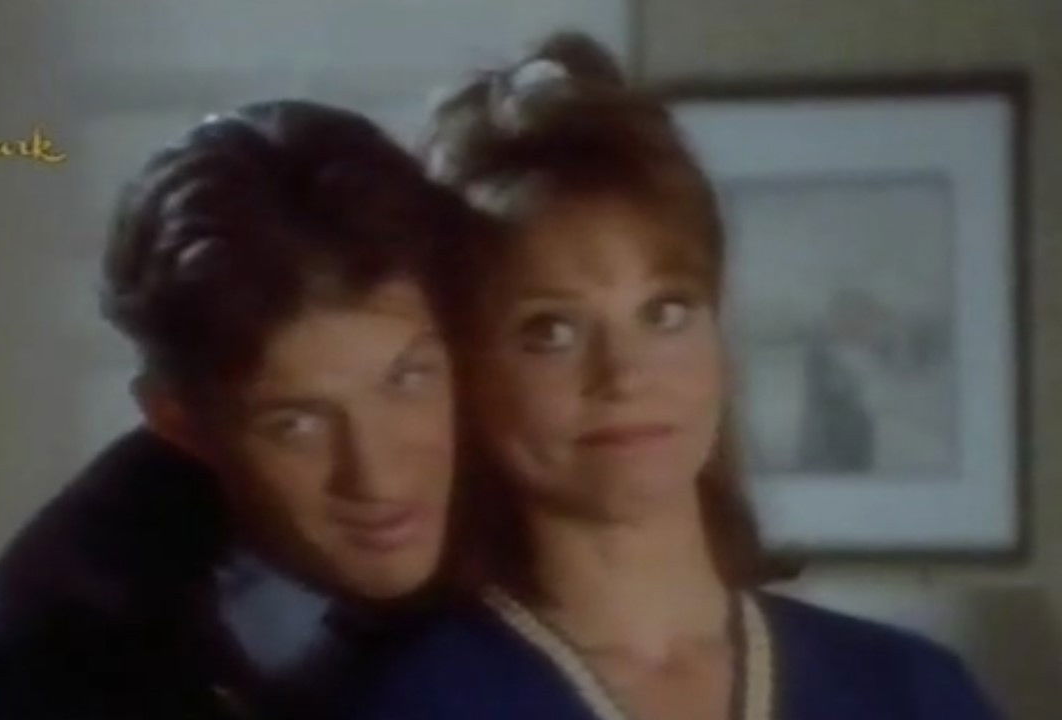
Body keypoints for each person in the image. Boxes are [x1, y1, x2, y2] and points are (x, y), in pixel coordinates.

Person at [351, 33, 1000, 720]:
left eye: (664, 312)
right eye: (551, 331)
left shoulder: (912, 689)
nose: (624, 375)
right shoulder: (410, 701)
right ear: (467, 372)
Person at [0, 99, 476, 720]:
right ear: (181, 425)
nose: (377, 478)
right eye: (296, 425)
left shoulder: (519, 586)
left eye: (408, 380)